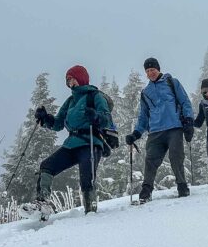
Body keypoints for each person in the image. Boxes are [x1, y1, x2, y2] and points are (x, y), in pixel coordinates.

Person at [24, 65, 113, 217]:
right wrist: (45, 119)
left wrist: (96, 117)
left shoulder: (94, 96)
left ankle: (90, 211)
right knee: (47, 166)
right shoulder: (70, 101)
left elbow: (107, 119)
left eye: (71, 78)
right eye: (67, 80)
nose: (69, 82)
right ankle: (42, 203)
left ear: (81, 78)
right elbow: (58, 124)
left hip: (90, 142)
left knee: (87, 177)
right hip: (72, 143)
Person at [125, 57, 195, 202]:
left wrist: (188, 121)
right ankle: (146, 191)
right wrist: (136, 133)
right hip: (155, 131)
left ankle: (182, 186)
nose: (151, 73)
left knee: (176, 157)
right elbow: (143, 116)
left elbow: (185, 101)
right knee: (150, 159)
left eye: (153, 69)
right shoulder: (145, 92)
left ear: (158, 69)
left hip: (174, 127)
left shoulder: (172, 82)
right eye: (148, 71)